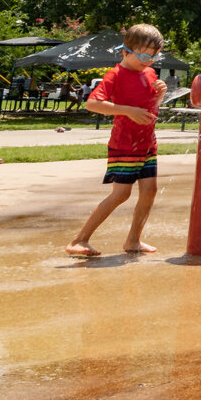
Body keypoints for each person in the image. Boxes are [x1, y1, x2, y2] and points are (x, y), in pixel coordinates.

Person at [65, 24, 166, 257]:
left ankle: (133, 240)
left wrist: (159, 95)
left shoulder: (149, 73)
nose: (148, 61)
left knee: (150, 190)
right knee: (121, 194)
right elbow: (92, 103)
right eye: (143, 55)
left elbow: (150, 107)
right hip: (125, 143)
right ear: (125, 51)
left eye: (153, 56)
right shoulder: (116, 75)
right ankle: (79, 240)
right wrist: (128, 111)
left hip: (147, 142)